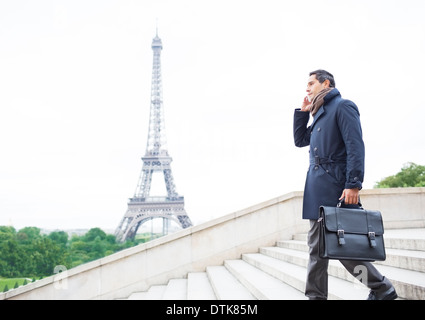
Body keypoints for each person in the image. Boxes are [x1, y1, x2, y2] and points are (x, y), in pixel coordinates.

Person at [293, 69, 398, 300]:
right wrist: (303, 113)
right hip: (317, 188)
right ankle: (317, 297)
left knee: (344, 249)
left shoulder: (343, 106)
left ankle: (382, 288)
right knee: (317, 249)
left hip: (336, 187)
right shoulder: (319, 112)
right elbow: (301, 141)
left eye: (311, 83)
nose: (307, 88)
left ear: (326, 83)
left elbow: (355, 147)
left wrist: (353, 184)